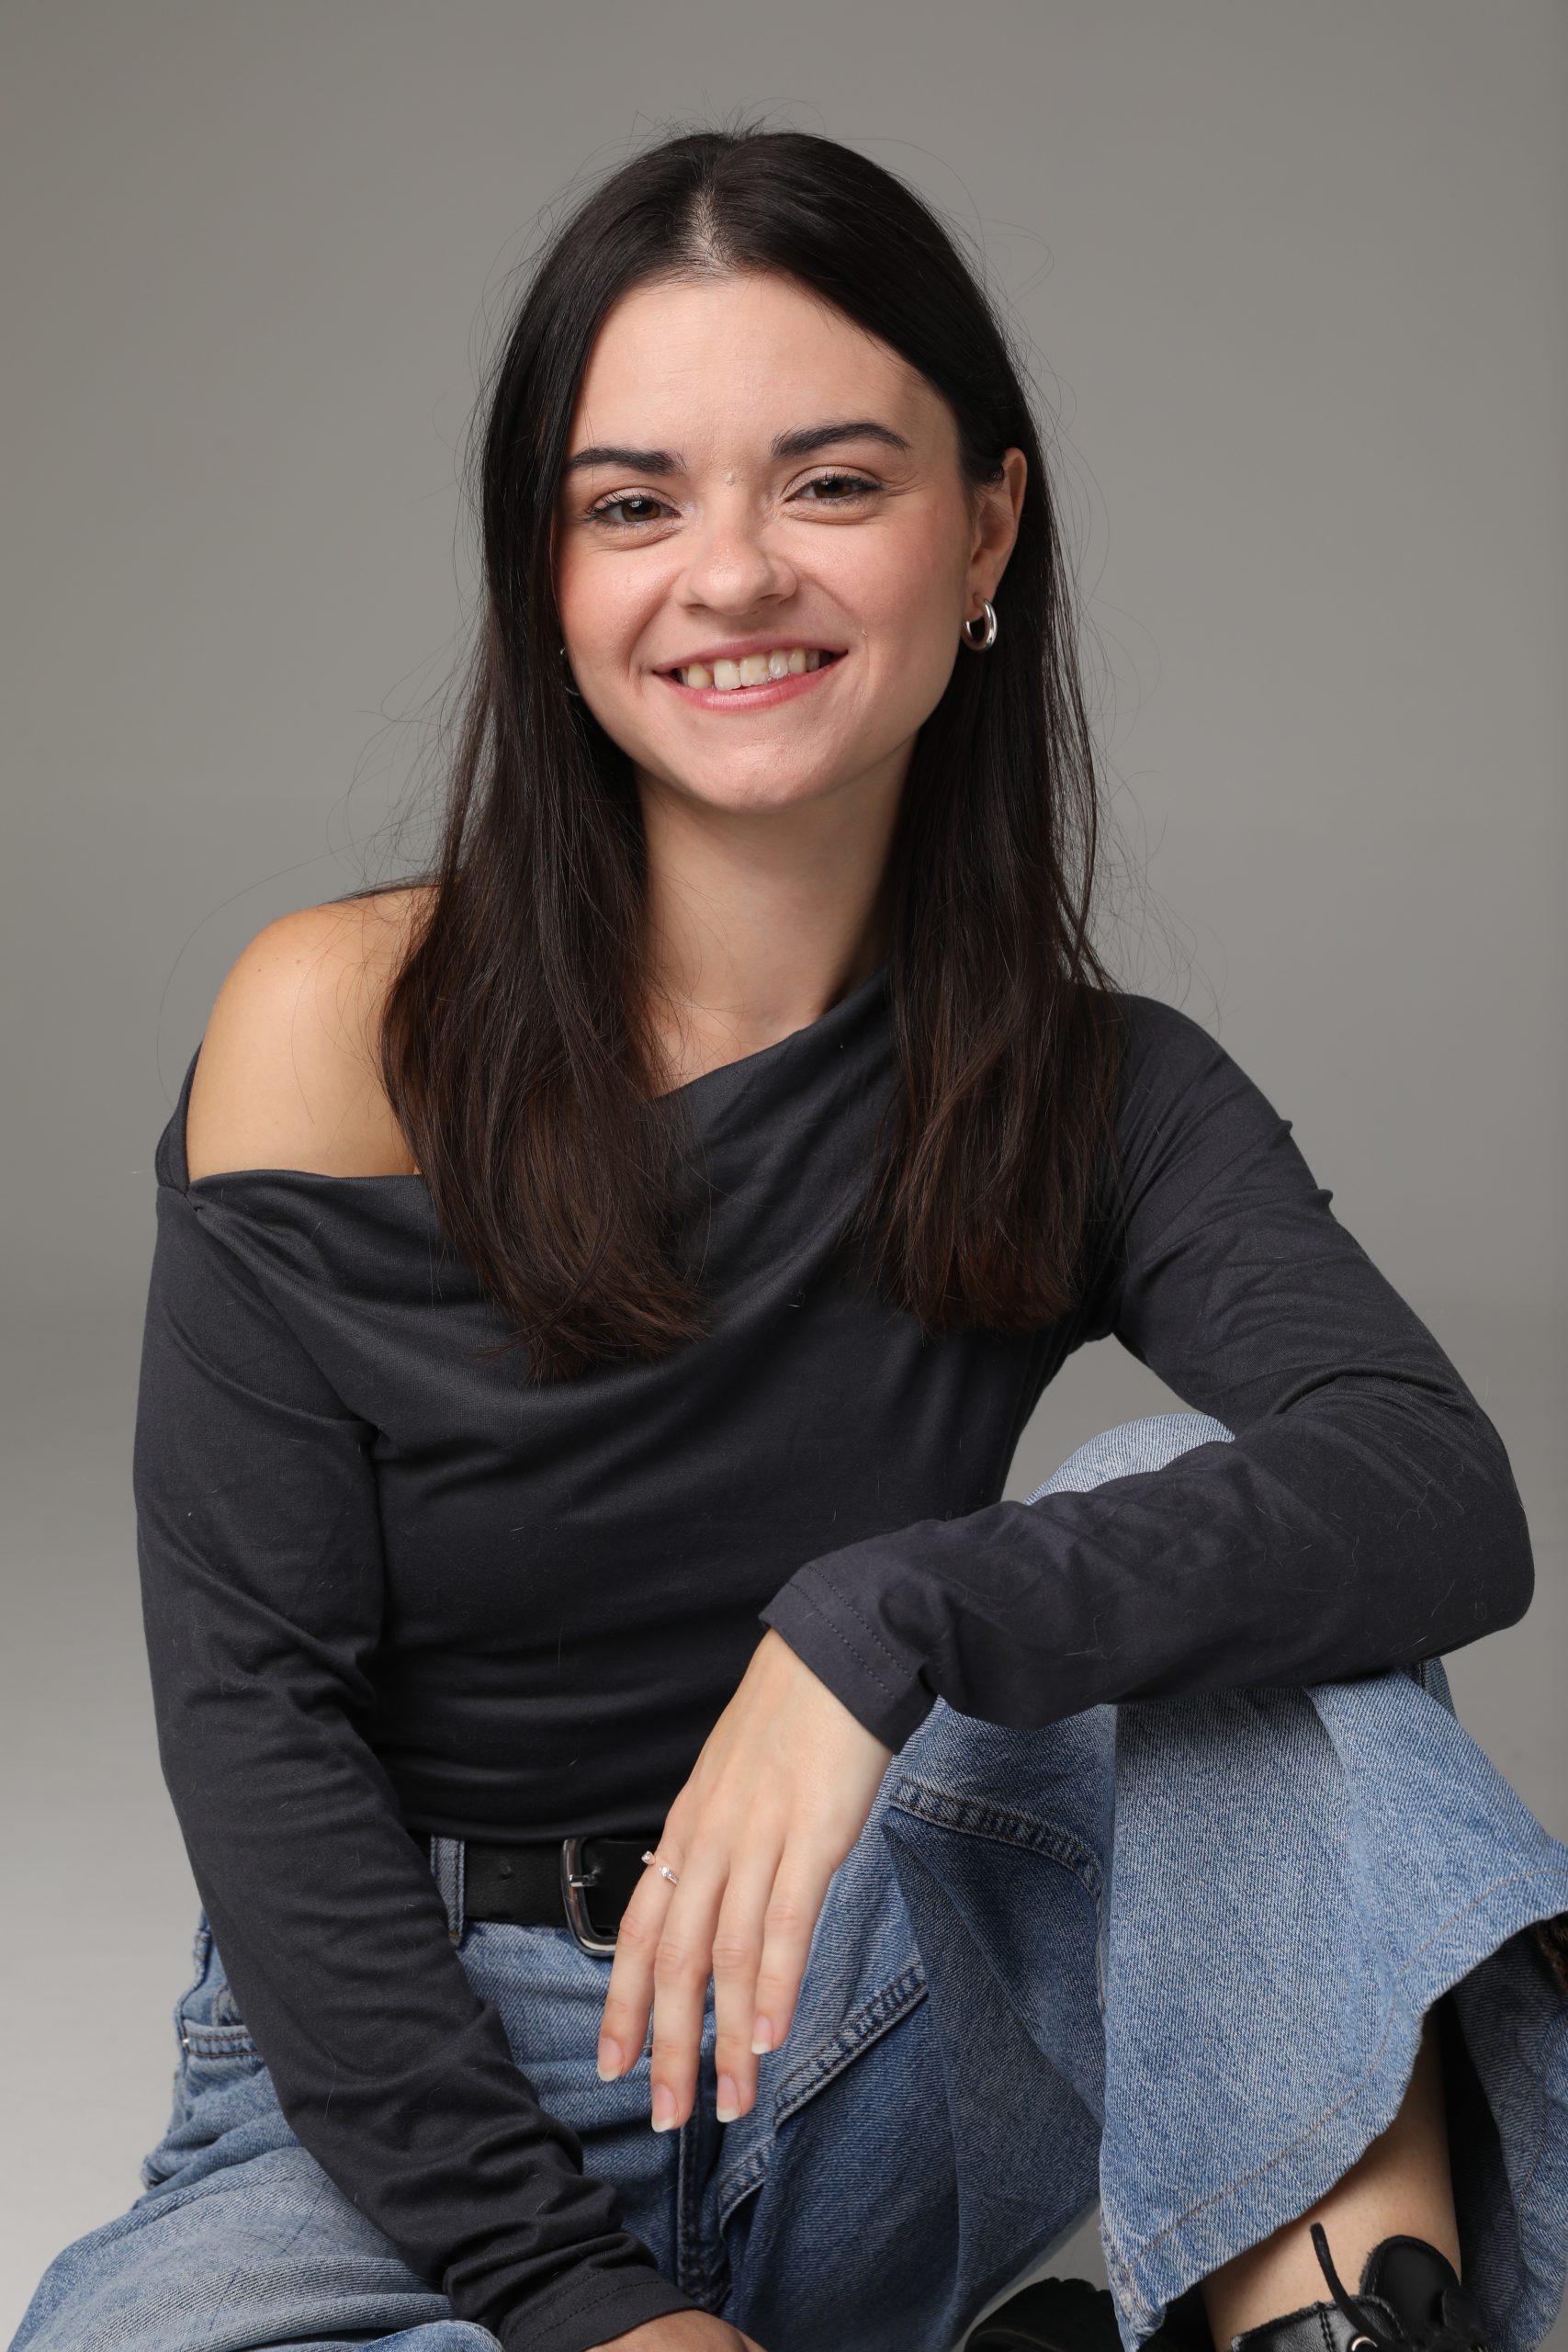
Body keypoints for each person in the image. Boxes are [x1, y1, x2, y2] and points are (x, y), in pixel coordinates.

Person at [10, 122, 1568, 2352]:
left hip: (871, 2035)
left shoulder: (1092, 1087)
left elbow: (1428, 1488)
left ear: (983, 529)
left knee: (1203, 1528)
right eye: (631, 505)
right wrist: (581, 2306)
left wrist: (879, 1616)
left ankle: (1322, 2312)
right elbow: (259, 1732)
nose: (729, 574)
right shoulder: (339, 1026)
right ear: (547, 574)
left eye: (829, 483)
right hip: (397, 2111)